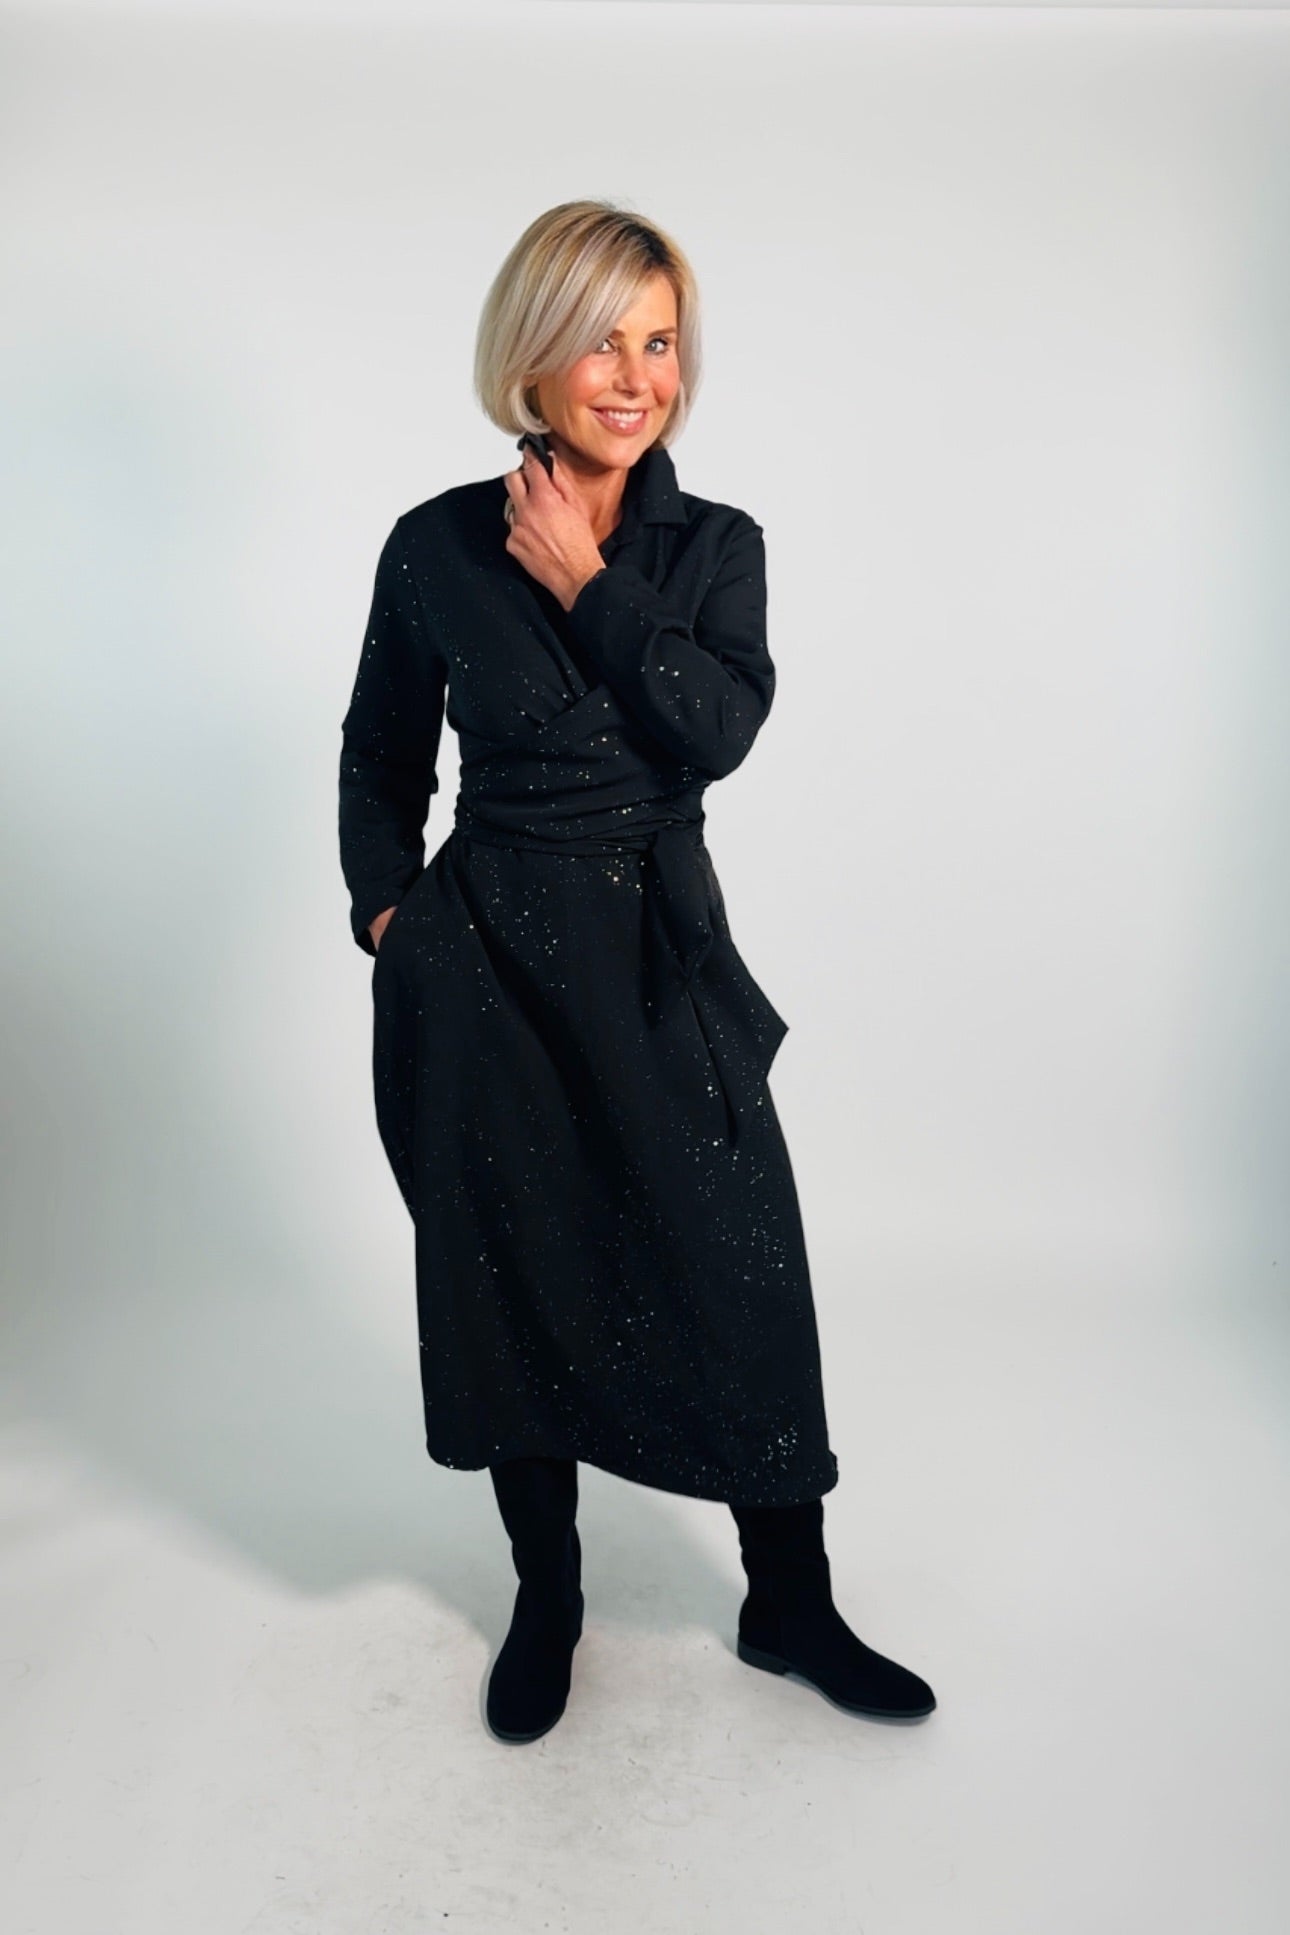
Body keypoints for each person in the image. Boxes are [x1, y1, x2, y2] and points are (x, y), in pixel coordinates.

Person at [338, 200, 935, 1743]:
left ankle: (786, 1603)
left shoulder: (713, 546)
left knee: (741, 1265)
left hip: (659, 955)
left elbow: (714, 731)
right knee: (508, 1275)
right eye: (602, 341)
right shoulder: (432, 545)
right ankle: (548, 1597)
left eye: (659, 342)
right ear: (532, 357)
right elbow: (380, 746)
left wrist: (584, 583)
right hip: (483, 968)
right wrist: (390, 915)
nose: (634, 376)